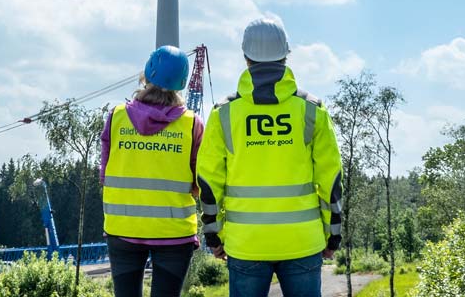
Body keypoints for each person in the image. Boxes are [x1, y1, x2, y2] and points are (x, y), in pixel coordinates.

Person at [197, 18, 343, 297]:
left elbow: (208, 183)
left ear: (245, 57)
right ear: (286, 55)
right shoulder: (312, 111)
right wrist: (332, 236)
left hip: (245, 244)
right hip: (303, 242)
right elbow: (331, 181)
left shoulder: (223, 114)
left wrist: (213, 235)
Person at [99, 45, 205, 297]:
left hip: (123, 229)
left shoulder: (117, 117)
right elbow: (200, 182)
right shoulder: (191, 124)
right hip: (174, 233)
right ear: (182, 81)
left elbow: (105, 175)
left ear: (146, 74)